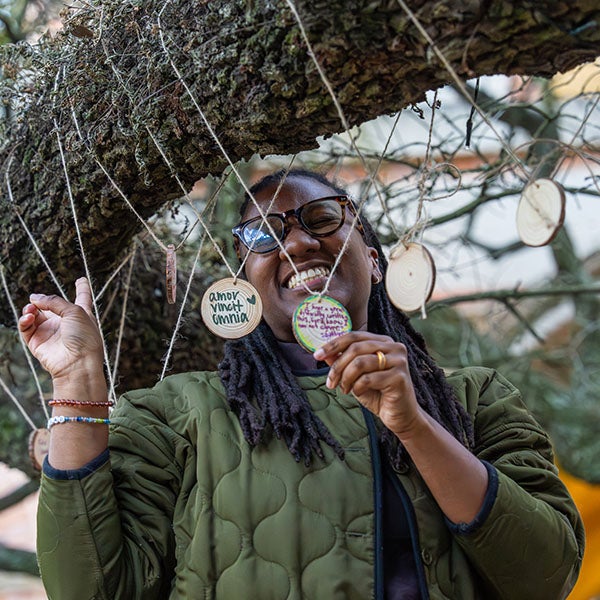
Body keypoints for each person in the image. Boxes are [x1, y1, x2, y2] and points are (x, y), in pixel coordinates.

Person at [21, 169, 584, 599]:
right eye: (263, 237)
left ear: (373, 257)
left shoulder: (475, 399)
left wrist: (416, 426)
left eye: (322, 219)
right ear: (245, 285)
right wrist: (78, 379)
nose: (297, 244)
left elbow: (546, 575)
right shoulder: (174, 413)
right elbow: (92, 588)